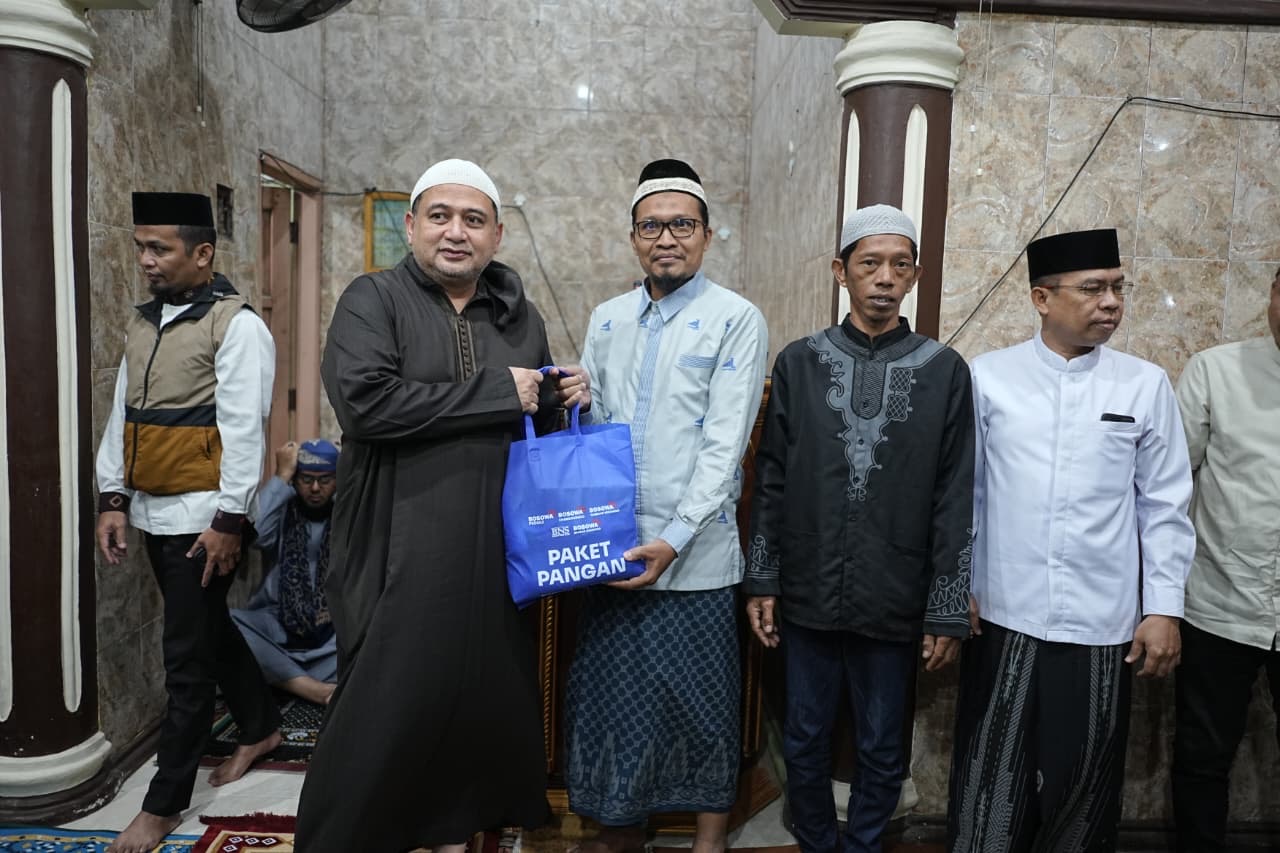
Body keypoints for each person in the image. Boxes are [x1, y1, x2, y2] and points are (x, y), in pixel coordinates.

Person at [294, 159, 563, 852]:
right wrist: (501, 392)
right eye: (439, 216)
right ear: (411, 226)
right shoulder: (373, 300)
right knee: (385, 706)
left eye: (473, 220)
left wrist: (561, 398)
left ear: (497, 235)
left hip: (491, 552)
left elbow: (530, 424)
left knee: (472, 700)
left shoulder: (519, 318)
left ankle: (451, 831)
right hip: (396, 541)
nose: (455, 232)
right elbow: (367, 403)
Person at [947, 228, 1196, 853]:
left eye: (1117, 288)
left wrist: (1164, 609)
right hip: (1002, 613)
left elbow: (1165, 505)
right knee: (989, 784)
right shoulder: (988, 377)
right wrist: (958, 586)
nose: (1110, 302)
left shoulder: (1144, 385)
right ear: (1042, 298)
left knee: (1083, 789)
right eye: (1092, 289)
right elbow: (965, 495)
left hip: (1100, 622)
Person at [743, 204, 974, 853]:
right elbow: (771, 478)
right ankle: (817, 841)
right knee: (805, 735)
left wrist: (946, 606)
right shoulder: (800, 362)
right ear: (841, 271)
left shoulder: (944, 370)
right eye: (870, 263)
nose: (885, 278)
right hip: (808, 589)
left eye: (900, 265)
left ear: (916, 275)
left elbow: (956, 492)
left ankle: (866, 843)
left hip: (895, 592)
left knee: (881, 741)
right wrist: (762, 578)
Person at [559, 159, 768, 853]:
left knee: (701, 704)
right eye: (651, 226)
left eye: (682, 224)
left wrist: (674, 539)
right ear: (633, 238)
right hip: (616, 550)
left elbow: (725, 446)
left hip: (695, 557)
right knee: (616, 703)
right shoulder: (607, 319)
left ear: (707, 234)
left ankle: (709, 840)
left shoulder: (735, 319)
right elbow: (596, 432)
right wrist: (577, 400)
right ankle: (621, 831)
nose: (667, 238)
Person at [95, 192, 282, 853]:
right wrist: (112, 496)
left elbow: (246, 429)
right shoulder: (146, 322)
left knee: (185, 658)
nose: (146, 260)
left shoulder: (237, 326)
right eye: (141, 247)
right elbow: (124, 412)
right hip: (156, 510)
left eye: (160, 248)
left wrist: (229, 519)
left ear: (202, 253)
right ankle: (261, 725)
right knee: (205, 627)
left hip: (206, 517)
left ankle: (163, 802)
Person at [1170, 268, 1280, 852]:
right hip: (1219, 603)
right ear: (1272, 295)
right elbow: (1168, 485)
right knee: (1202, 756)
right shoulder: (1216, 370)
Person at [231, 439, 340, 706]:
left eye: (325, 480)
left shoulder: (346, 514)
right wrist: (280, 477)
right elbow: (256, 535)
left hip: (332, 634)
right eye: (306, 479)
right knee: (225, 623)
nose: (315, 488)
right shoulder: (284, 508)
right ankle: (310, 687)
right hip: (278, 624)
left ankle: (281, 675)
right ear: (295, 479)